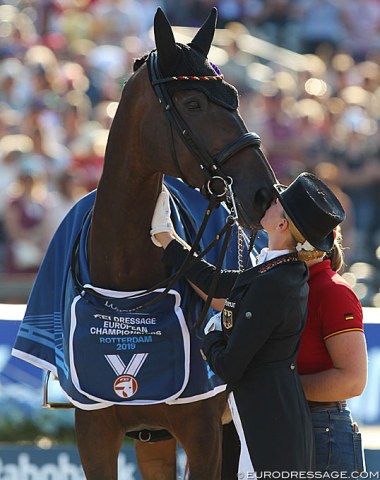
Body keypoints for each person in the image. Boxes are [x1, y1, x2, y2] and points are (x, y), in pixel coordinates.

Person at [150, 172, 346, 475]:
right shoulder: (278, 269)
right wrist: (168, 239)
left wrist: (210, 337)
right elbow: (214, 282)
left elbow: (229, 366)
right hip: (270, 420)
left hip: (270, 428)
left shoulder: (276, 281)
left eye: (276, 203)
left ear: (281, 225)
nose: (268, 202)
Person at [298, 226, 368, 473]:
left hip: (321, 429)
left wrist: (280, 386)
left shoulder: (332, 290)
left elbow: (352, 381)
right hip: (303, 424)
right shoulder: (295, 287)